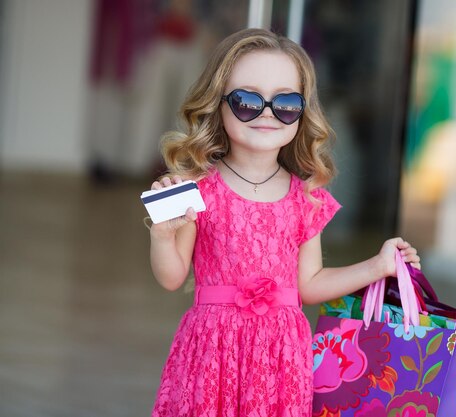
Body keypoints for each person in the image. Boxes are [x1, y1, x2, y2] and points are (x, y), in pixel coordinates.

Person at [148, 28, 421, 417]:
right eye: (246, 100)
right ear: (218, 104)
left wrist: (378, 266)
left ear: (301, 113)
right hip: (213, 353)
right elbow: (172, 276)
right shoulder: (199, 190)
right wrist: (162, 234)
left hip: (281, 359)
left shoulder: (305, 197)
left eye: (286, 103)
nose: (266, 113)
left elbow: (308, 285)